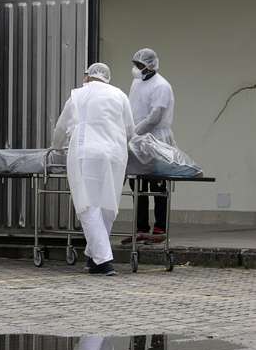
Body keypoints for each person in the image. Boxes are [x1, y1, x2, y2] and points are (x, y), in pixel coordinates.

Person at [52, 63, 135, 275]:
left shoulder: (78, 96)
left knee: (87, 205)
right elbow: (130, 130)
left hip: (85, 154)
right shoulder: (120, 95)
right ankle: (93, 258)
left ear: (87, 76)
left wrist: (56, 147)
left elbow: (61, 128)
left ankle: (104, 261)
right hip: (114, 155)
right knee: (108, 205)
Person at [129, 48, 175, 237]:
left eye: (139, 65)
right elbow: (132, 107)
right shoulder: (137, 82)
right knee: (137, 183)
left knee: (157, 183)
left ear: (150, 65)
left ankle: (160, 227)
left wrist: (134, 132)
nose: (136, 68)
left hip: (156, 138)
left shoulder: (161, 86)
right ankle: (141, 227)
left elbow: (154, 117)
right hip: (137, 139)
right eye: (135, 64)